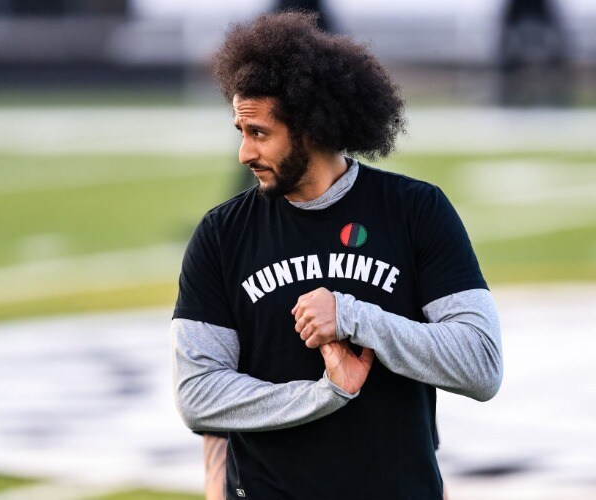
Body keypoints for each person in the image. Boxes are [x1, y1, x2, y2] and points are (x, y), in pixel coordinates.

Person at [171, 11, 502, 500]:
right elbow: (198, 395)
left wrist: (352, 317)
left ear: (310, 128)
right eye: (240, 130)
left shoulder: (416, 211)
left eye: (259, 133)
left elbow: (481, 364)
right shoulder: (222, 234)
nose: (244, 153)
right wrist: (325, 395)